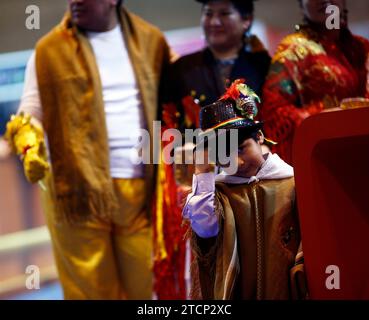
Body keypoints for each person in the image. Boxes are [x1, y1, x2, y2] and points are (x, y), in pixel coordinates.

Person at [5, 0, 171, 299]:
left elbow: (177, 99)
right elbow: (30, 110)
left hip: (142, 192)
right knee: (89, 294)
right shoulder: (49, 50)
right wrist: (29, 140)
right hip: (76, 194)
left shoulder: (151, 40)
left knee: (150, 289)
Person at [153, 0, 271, 299]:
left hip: (254, 180)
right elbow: (163, 127)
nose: (214, 21)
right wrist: (186, 161)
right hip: (199, 180)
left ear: (246, 21)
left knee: (257, 265)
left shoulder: (264, 65)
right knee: (204, 270)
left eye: (224, 13)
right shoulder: (180, 70)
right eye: (208, 13)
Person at [183, 80, 305, 300]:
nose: (237, 162)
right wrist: (202, 174)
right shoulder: (220, 193)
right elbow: (205, 230)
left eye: (241, 148)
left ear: (259, 137)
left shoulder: (294, 182)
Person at [260, 0, 369, 164]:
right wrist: (323, 118)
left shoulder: (361, 47)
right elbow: (274, 111)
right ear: (301, 5)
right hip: (325, 155)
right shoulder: (293, 50)